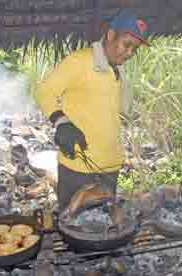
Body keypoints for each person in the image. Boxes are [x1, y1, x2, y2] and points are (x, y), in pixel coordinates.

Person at [36, 10, 150, 211]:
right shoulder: (80, 61)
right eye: (127, 44)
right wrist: (62, 122)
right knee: (76, 230)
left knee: (102, 229)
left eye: (135, 48)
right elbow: (45, 91)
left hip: (110, 167)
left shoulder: (118, 70)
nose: (130, 52)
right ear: (110, 35)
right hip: (78, 167)